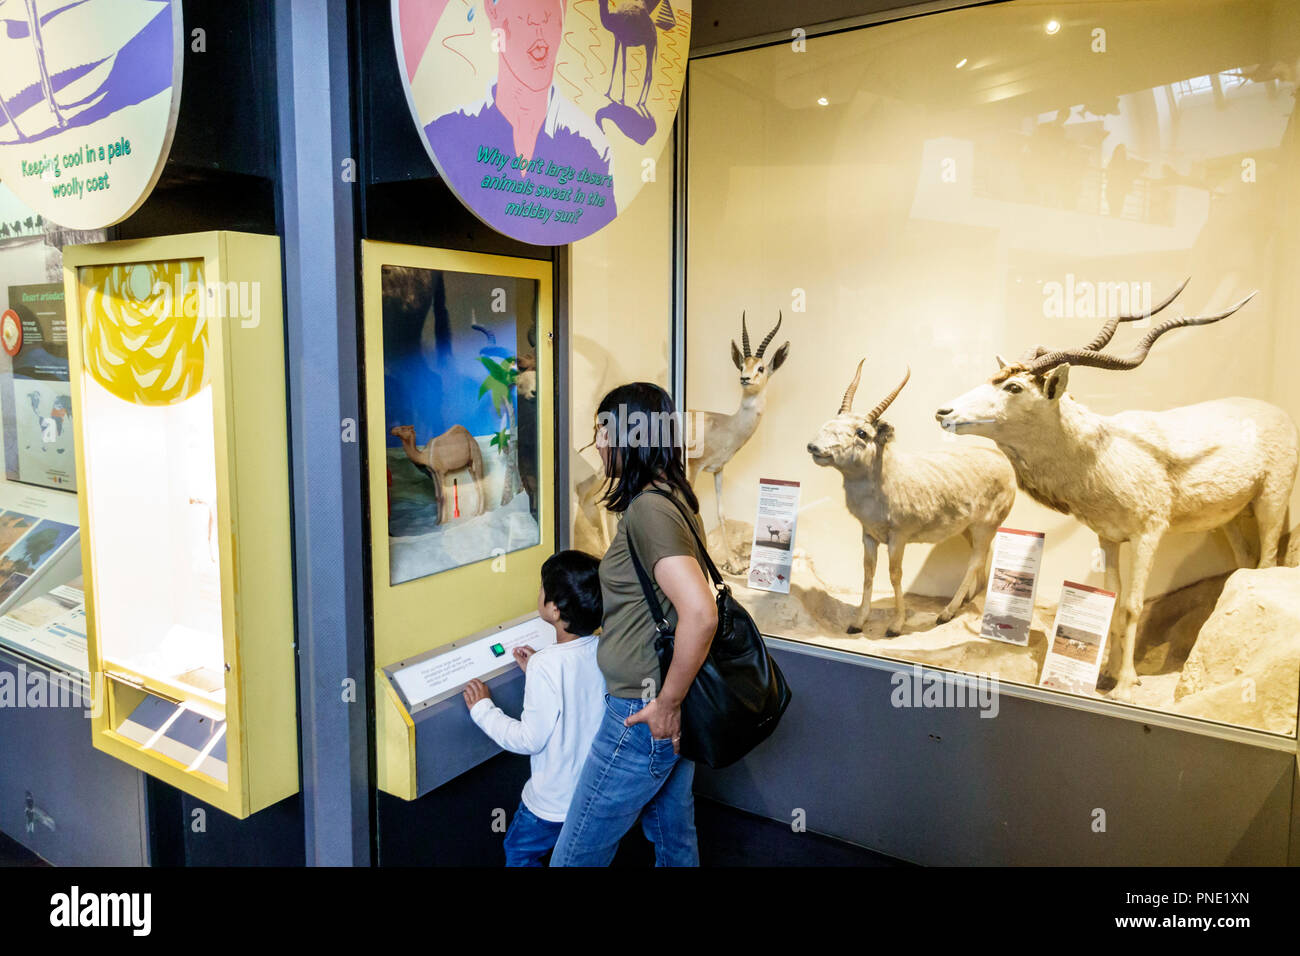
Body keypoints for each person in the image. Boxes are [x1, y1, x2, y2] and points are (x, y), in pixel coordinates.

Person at [550, 382, 718, 867]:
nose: (598, 445)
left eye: (602, 431)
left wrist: (666, 704)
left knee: (574, 855)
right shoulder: (673, 497)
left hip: (641, 714)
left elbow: (700, 614)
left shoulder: (649, 510)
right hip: (661, 706)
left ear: (631, 433)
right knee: (674, 842)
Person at [425, 0, 617, 242]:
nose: (538, 32)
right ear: (493, 12)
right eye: (524, 17)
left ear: (563, 12)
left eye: (546, 16)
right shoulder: (444, 135)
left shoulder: (593, 148)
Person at [463, 549, 605, 866]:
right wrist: (536, 672)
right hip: (591, 797)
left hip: (549, 805)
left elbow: (529, 739)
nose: (539, 592)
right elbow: (581, 694)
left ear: (554, 609)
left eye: (542, 588)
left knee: (520, 852)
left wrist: (483, 709)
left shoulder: (546, 665)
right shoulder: (602, 649)